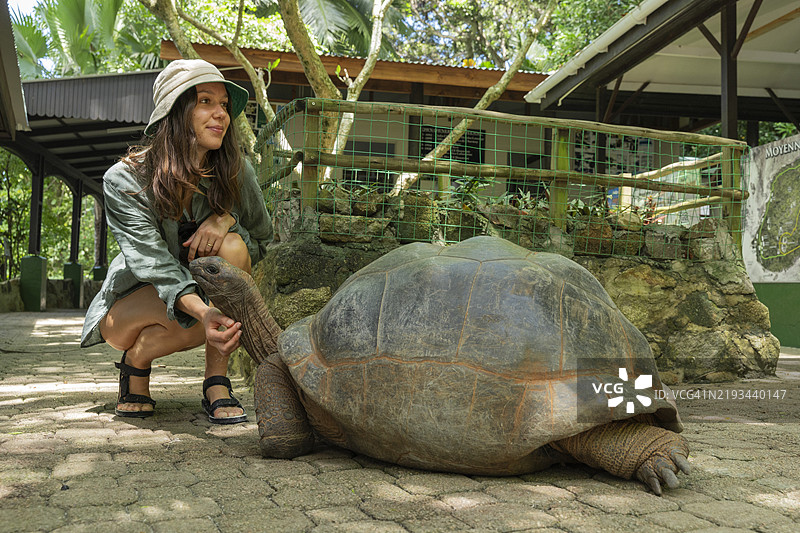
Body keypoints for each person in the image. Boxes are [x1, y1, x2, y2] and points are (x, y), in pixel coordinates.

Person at [81, 59, 273, 424]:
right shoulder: (125, 179)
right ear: (176, 112)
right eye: (205, 101)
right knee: (204, 302)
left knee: (234, 248)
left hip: (202, 304)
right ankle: (136, 358)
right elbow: (154, 263)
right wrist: (205, 313)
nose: (221, 114)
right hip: (131, 307)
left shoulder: (235, 170)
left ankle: (216, 379)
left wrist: (226, 219)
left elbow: (263, 241)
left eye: (224, 105)